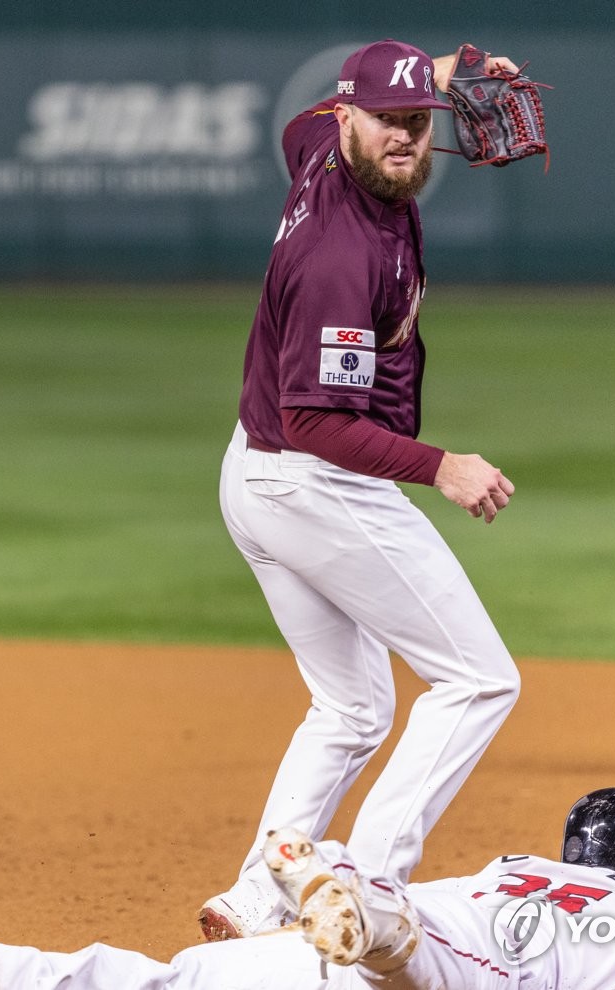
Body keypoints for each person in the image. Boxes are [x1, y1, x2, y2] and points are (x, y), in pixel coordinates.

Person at [207, 39, 524, 938]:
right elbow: (317, 422)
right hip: (316, 481)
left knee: (353, 706)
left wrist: (435, 76)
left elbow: (294, 124)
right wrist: (443, 468)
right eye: (388, 122)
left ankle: (258, 895)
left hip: (256, 475)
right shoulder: (338, 255)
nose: (407, 141)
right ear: (348, 118)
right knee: (478, 681)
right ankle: (373, 886)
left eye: (419, 123)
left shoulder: (319, 146)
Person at [0, 787, 615, 990]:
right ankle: (365, 911)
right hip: (451, 968)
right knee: (441, 963)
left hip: (370, 946)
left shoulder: (520, 864)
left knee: (176, 984)